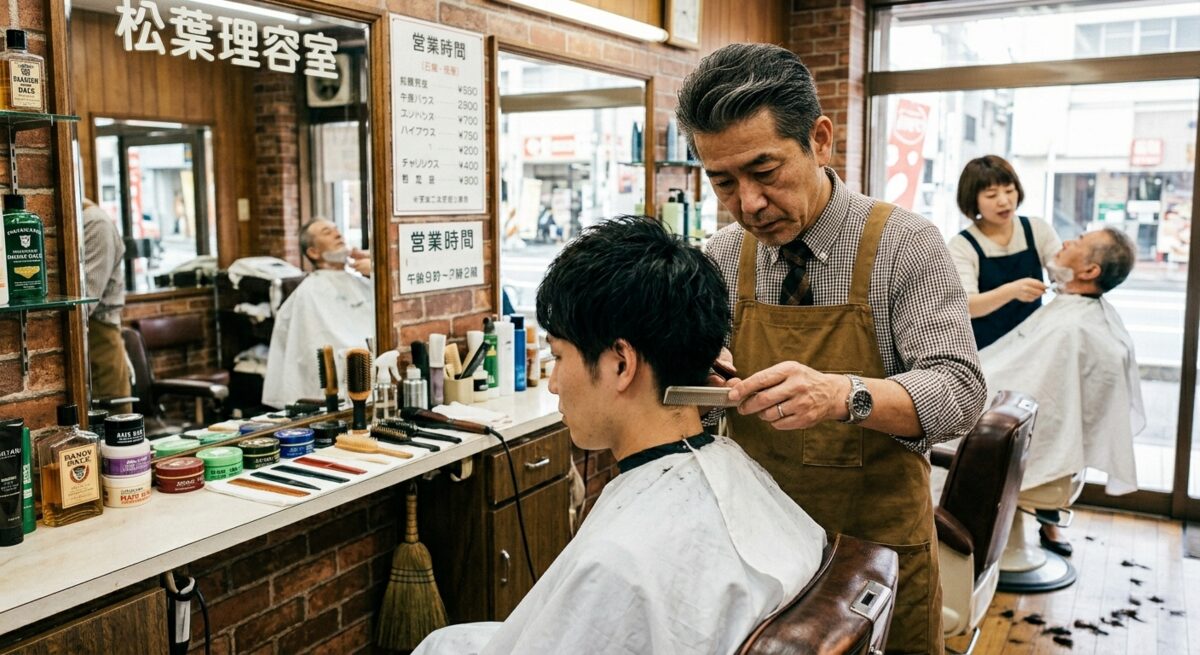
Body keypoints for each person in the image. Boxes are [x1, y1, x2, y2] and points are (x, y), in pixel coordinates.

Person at [677, 43, 986, 654]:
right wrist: (701, 388)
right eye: (723, 182)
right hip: (763, 556)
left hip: (880, 558)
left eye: (765, 172)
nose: (748, 204)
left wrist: (844, 395)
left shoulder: (906, 244)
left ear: (819, 140)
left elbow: (960, 391)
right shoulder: (720, 257)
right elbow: (702, 399)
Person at [413, 216, 826, 654]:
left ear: (621, 364)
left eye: (558, 357)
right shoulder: (736, 476)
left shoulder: (619, 562)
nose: (552, 384)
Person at [979, 227, 1142, 556]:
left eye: (1079, 241)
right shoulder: (1084, 317)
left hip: (1028, 444)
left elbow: (1021, 384)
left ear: (1089, 271)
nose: (1066, 242)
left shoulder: (1073, 326)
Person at [947, 155, 1062, 350]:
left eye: (1009, 190)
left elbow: (1063, 274)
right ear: (973, 200)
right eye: (991, 195)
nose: (1004, 201)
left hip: (1032, 345)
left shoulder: (1037, 229)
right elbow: (967, 306)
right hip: (985, 350)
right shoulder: (961, 246)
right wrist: (1013, 291)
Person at [261, 218, 373, 408]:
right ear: (313, 252)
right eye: (327, 232)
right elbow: (314, 345)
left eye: (337, 229)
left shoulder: (363, 280)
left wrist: (377, 269)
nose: (338, 234)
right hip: (347, 379)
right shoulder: (308, 292)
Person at [82, 199, 132, 413]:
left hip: (100, 340)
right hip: (87, 341)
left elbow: (85, 302)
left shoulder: (95, 223)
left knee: (113, 428)